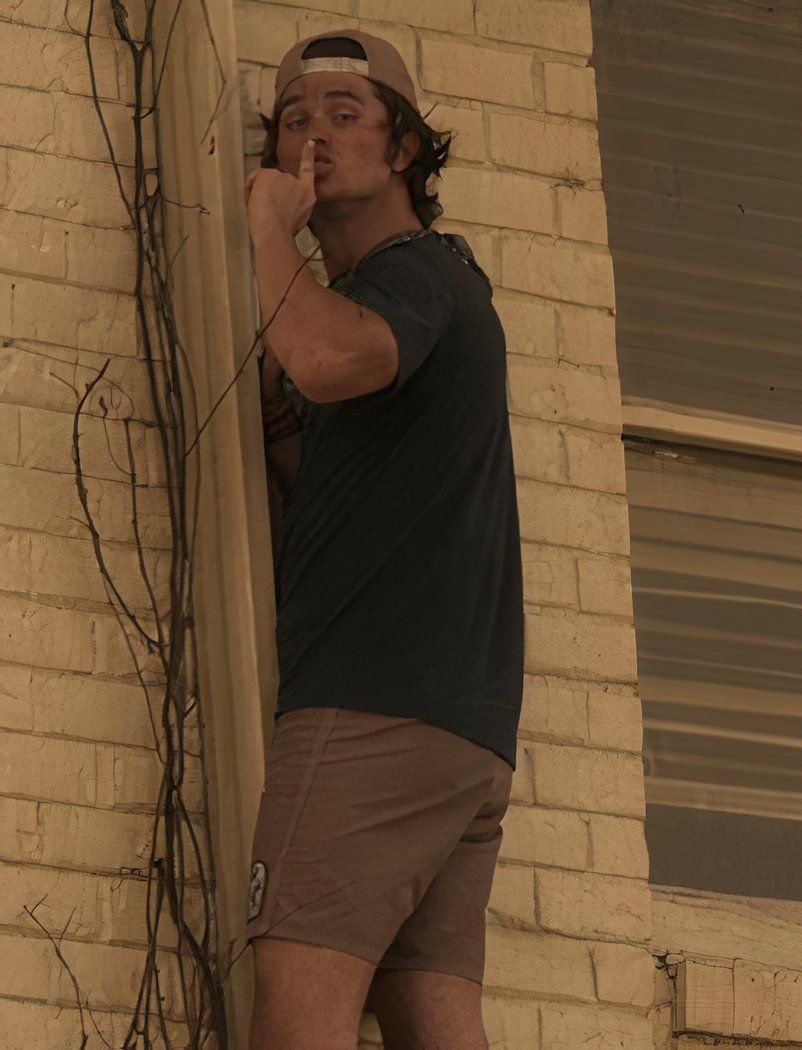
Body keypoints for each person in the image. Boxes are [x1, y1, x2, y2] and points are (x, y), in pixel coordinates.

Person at [244, 28, 522, 1050]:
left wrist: (270, 228)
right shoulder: (412, 297)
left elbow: (321, 359)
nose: (314, 137)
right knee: (430, 1020)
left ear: (404, 149)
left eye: (344, 115)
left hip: (371, 712)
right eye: (292, 121)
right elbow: (325, 468)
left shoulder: (413, 276)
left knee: (296, 1020)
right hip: (461, 737)